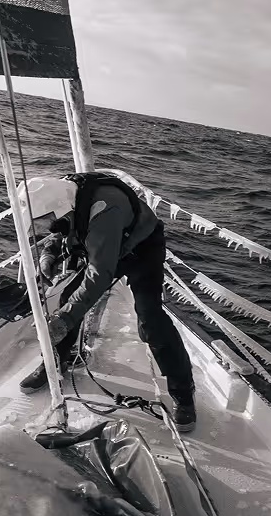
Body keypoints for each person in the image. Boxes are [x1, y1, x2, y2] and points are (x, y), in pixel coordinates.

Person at [15, 172, 197, 432]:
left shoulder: (105, 210)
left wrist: (64, 319)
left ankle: (183, 392)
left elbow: (100, 274)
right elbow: (59, 230)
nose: (42, 228)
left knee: (150, 318)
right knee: (68, 297)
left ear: (59, 210)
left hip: (142, 249)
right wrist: (49, 254)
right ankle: (56, 363)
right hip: (105, 245)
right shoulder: (65, 199)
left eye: (43, 222)